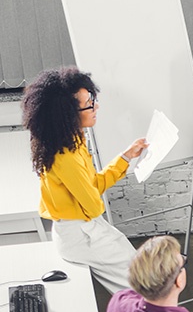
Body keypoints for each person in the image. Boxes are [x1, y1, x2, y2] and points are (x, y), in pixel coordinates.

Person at [21, 68, 148, 294]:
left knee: (141, 277)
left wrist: (126, 157)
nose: (95, 107)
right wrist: (94, 192)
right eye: (89, 104)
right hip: (81, 234)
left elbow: (92, 187)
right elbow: (93, 204)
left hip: (84, 227)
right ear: (68, 113)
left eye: (93, 100)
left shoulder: (72, 141)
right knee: (143, 286)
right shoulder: (65, 156)